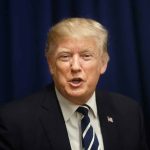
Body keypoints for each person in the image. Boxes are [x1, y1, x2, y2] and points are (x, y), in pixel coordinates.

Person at [0, 18, 148, 150]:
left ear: (103, 63)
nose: (75, 66)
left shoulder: (129, 113)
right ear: (51, 64)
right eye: (65, 56)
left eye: (86, 56)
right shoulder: (14, 121)